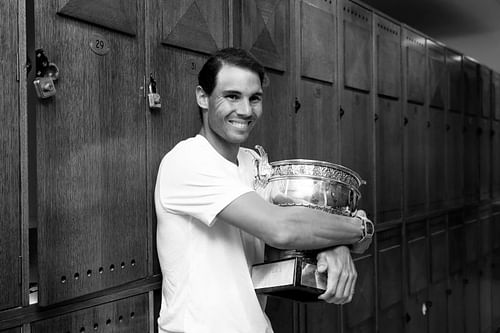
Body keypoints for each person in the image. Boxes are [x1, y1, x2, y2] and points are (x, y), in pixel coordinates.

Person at [154, 47, 373, 333]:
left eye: (254, 98)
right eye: (232, 96)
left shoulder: (254, 162)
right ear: (202, 97)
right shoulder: (187, 161)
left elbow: (302, 227)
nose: (245, 110)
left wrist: (335, 245)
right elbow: (281, 228)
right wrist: (359, 229)